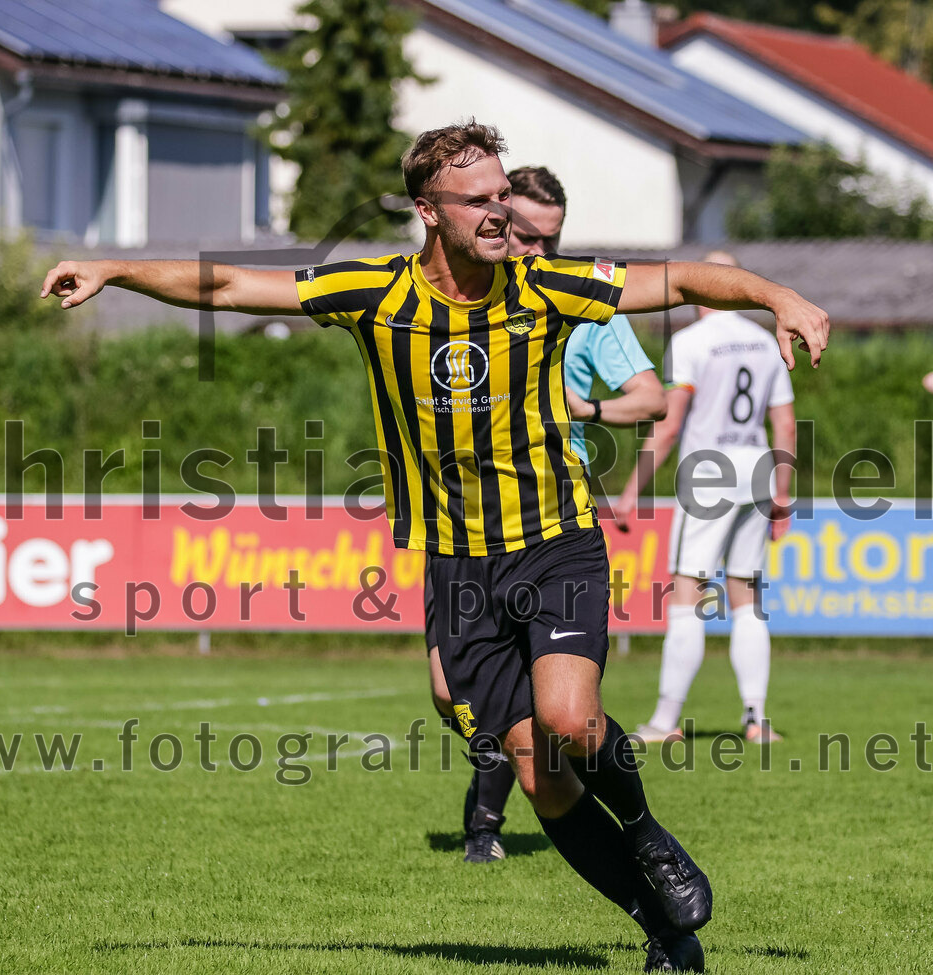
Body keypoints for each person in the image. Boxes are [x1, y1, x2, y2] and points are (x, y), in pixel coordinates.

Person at [42, 121, 829, 973]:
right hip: (456, 565)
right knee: (537, 775)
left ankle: (647, 833)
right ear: (428, 210)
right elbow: (230, 284)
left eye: (505, 197)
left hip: (555, 542)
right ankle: (663, 932)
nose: (502, 213)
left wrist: (773, 294)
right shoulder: (373, 291)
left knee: (570, 720)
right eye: (481, 200)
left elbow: (680, 277)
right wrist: (116, 267)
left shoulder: (548, 285)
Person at [425, 165, 667, 864]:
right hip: (465, 518)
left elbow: (651, 398)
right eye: (527, 235)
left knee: (553, 703)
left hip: (553, 516)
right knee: (453, 691)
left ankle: (492, 825)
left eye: (551, 240)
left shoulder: (583, 306)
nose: (537, 251)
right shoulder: (460, 298)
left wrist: (583, 407)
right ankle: (507, 815)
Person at [613, 251, 797, 745]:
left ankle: (664, 720)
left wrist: (632, 492)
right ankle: (757, 719)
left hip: (710, 473)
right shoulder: (763, 342)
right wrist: (782, 489)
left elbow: (669, 424)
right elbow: (784, 422)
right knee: (746, 597)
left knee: (687, 594)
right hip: (757, 469)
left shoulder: (691, 342)